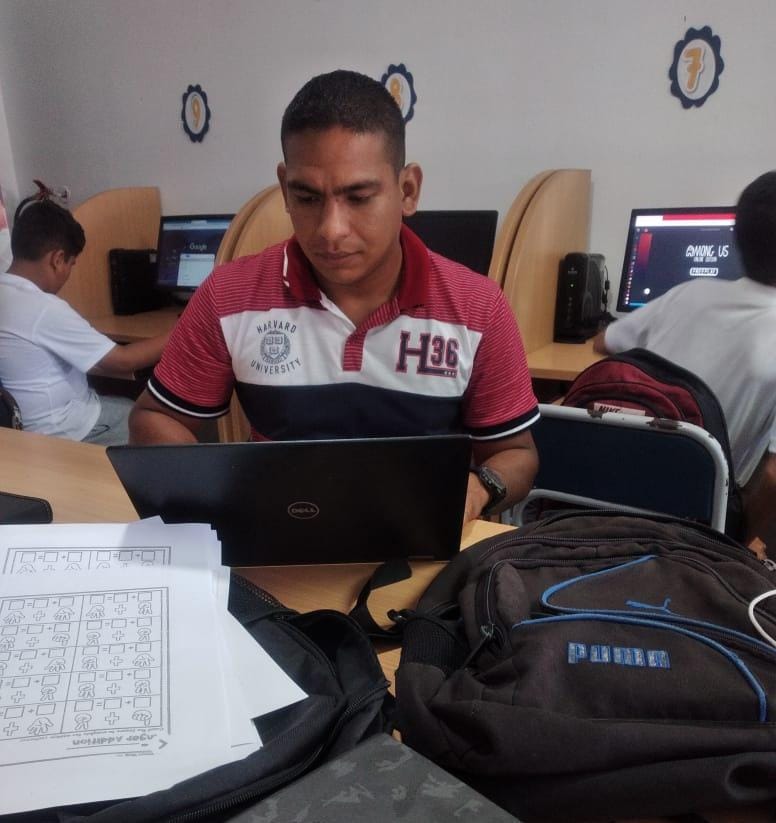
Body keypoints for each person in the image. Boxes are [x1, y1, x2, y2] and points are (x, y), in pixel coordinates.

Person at [130, 69, 539, 522]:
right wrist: (214, 494)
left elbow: (516, 454)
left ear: (407, 190)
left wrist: (479, 490)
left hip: (418, 540)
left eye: (358, 197)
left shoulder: (478, 308)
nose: (331, 230)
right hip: (279, 533)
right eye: (307, 199)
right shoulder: (228, 296)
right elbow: (156, 417)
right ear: (285, 188)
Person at [594, 170, 776, 549]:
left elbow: (603, 342)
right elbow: (773, 479)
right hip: (702, 523)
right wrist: (743, 547)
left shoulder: (688, 294)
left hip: (610, 493)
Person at [0, 199, 171, 446]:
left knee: (127, 402)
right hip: (63, 430)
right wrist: (185, 330)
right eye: (71, 264)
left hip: (17, 429)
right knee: (156, 423)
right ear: (57, 259)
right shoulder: (43, 308)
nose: (68, 274)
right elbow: (123, 361)